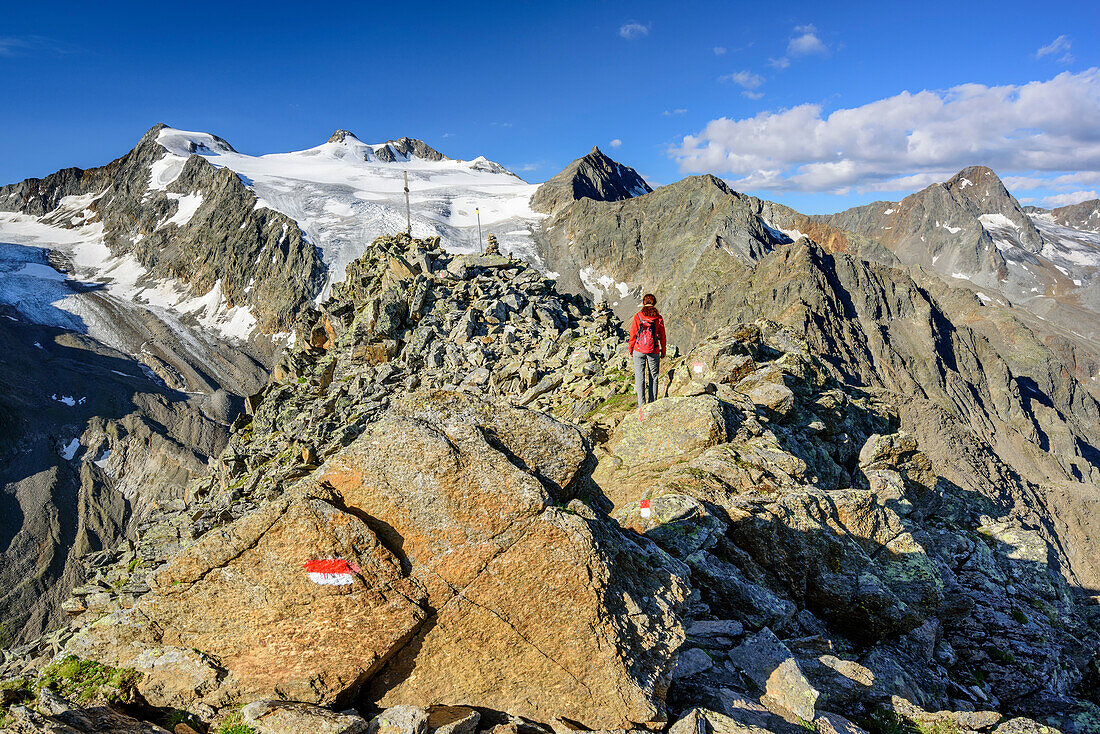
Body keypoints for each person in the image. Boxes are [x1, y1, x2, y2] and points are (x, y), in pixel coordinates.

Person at [628, 293, 666, 414]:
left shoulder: (638, 316)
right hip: (653, 350)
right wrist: (663, 350)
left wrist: (630, 349)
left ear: (644, 303)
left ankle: (641, 407)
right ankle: (652, 403)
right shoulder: (658, 318)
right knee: (653, 377)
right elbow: (662, 336)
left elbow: (633, 334)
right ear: (654, 303)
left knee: (640, 377)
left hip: (638, 350)